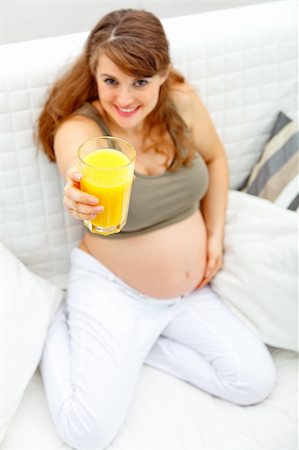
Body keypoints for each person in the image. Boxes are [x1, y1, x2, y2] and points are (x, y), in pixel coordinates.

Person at [38, 9, 276, 450]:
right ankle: (53, 327)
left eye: (140, 82)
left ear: (162, 75)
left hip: (189, 294)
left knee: (254, 381)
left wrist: (214, 235)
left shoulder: (183, 103)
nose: (124, 98)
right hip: (114, 288)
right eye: (111, 81)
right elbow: (77, 171)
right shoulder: (82, 130)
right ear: (94, 74)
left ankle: (141, 346)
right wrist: (76, 193)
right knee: (85, 434)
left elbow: (216, 160)